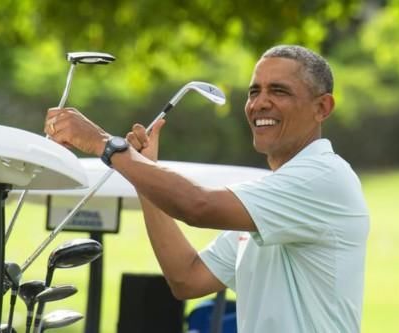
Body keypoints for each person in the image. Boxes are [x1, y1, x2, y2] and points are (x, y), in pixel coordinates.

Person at [44, 44, 369, 333]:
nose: (260, 103)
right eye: (254, 91)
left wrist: (104, 144)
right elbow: (188, 278)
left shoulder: (322, 178)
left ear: (322, 108)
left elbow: (197, 206)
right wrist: (144, 175)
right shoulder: (273, 195)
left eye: (279, 91)